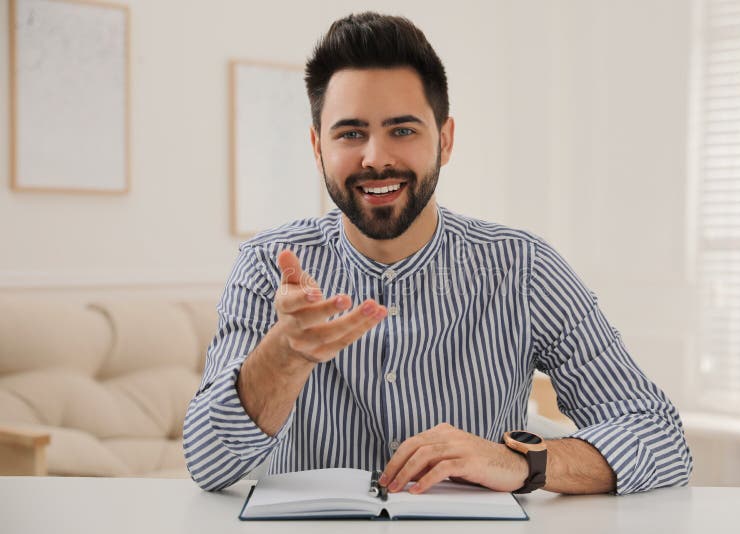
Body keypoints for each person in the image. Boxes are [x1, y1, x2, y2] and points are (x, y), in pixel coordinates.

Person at [183, 12, 692, 495]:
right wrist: (284, 356)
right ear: (318, 147)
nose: (376, 157)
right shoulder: (265, 266)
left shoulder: (524, 268)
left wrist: (520, 463)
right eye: (351, 133)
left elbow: (661, 438)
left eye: (402, 130)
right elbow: (208, 464)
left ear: (445, 141)